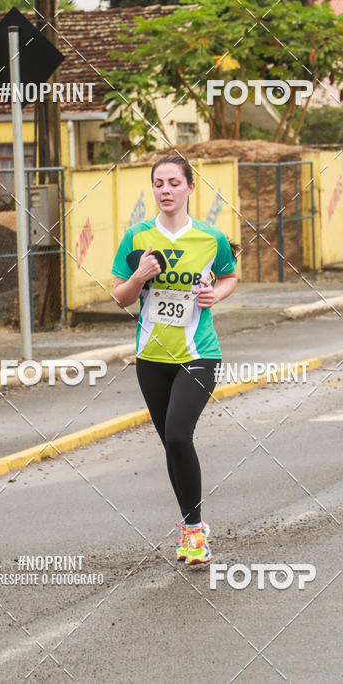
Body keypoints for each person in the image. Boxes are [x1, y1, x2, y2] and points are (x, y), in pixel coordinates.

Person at [111, 155, 238, 567]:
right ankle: (190, 525)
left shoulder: (210, 237)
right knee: (171, 445)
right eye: (158, 183)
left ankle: (195, 530)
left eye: (173, 183)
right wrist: (139, 277)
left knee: (180, 436)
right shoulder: (136, 237)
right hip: (151, 356)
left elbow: (229, 275)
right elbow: (120, 297)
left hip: (199, 353)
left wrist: (214, 295)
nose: (165, 190)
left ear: (189, 188)